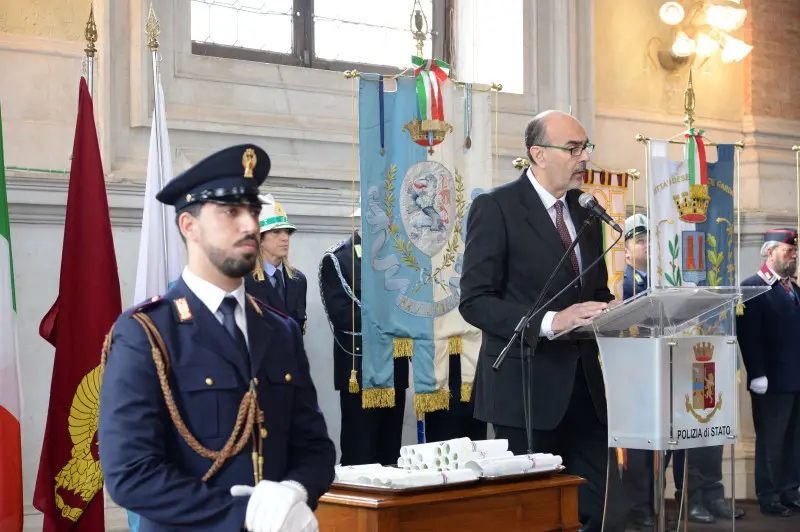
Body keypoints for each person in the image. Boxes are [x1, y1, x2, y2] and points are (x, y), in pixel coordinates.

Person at [98, 145, 336, 531]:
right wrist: (245, 515)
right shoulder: (147, 333)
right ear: (188, 226)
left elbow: (315, 448)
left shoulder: (279, 330)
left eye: (253, 212)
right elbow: (131, 473)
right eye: (231, 212)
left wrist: (293, 490)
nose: (250, 226)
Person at [459, 110, 625, 531]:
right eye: (573, 148)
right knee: (533, 514)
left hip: (585, 387)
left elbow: (595, 293)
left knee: (600, 505)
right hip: (525, 388)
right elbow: (475, 301)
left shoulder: (586, 215)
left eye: (586, 147)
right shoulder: (496, 207)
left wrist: (611, 311)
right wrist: (552, 321)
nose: (584, 156)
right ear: (538, 154)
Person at [318, 202, 410, 466]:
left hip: (394, 366)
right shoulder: (338, 258)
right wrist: (391, 318)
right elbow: (343, 315)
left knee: (390, 449)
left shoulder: (399, 258)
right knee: (360, 449)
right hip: (359, 367)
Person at [737, 228, 800, 518]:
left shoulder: (794, 290)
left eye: (795, 251)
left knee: (793, 440)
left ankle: (790, 490)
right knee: (771, 441)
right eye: (789, 250)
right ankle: (769, 495)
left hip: (795, 380)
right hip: (771, 382)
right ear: (770, 251)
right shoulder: (754, 287)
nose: (794, 255)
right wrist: (756, 373)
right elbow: (749, 336)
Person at [246, 194, 307, 334]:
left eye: (286, 232)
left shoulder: (298, 280)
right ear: (259, 239)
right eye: (276, 232)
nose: (285, 238)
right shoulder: (245, 281)